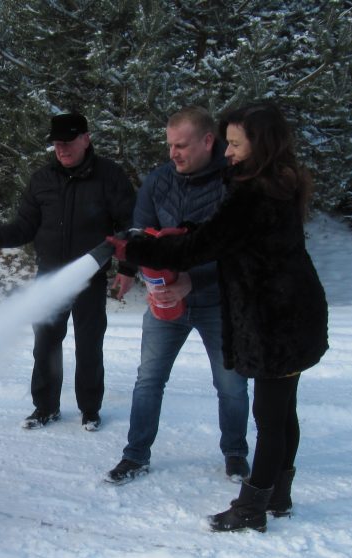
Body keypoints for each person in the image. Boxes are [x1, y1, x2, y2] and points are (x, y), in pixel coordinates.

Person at [110, 102, 328, 532]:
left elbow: (203, 246)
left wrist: (136, 252)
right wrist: (180, 236)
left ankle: (251, 509)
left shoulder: (255, 194)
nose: (228, 153)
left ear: (258, 145)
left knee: (269, 418)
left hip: (276, 320)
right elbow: (214, 235)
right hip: (293, 313)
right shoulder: (274, 183)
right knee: (283, 414)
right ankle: (279, 496)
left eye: (234, 144)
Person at [105, 107, 251, 486]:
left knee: (231, 384)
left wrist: (193, 282)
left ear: (208, 141)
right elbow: (140, 233)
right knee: (148, 380)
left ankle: (235, 453)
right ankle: (135, 455)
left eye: (181, 145)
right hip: (164, 302)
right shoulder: (158, 181)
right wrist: (132, 271)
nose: (173, 153)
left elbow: (239, 250)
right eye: (170, 145)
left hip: (217, 304)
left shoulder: (233, 184)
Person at [0, 112, 135, 430]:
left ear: (86, 139)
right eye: (56, 144)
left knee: (89, 345)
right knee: (45, 343)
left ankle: (90, 409)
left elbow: (130, 225)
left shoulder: (110, 176)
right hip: (49, 277)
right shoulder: (42, 179)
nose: (61, 149)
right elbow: (25, 225)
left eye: (68, 142)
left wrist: (128, 268)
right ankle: (45, 407)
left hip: (89, 277)